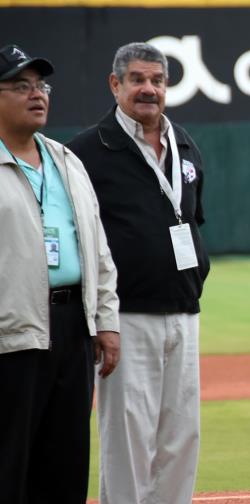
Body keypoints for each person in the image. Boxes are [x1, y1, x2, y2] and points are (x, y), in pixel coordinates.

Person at [67, 42, 210, 504]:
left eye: (157, 80)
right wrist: (99, 321)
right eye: (137, 80)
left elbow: (191, 221)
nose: (148, 89)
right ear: (115, 84)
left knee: (181, 438)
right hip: (125, 317)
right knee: (127, 441)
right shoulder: (88, 151)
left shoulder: (185, 145)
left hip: (185, 313)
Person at [0, 44, 120, 504]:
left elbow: (98, 250)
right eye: (20, 86)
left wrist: (105, 321)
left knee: (66, 460)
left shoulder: (66, 160)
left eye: (41, 85)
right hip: (12, 334)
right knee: (9, 460)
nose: (37, 94)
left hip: (72, 328)